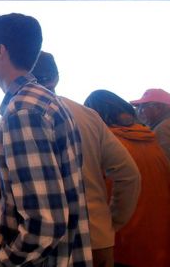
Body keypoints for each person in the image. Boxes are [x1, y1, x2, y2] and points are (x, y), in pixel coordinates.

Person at [0, 13, 92, 266]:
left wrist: (3, 263)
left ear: (0, 51)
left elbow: (45, 223)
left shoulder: (23, 111)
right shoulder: (43, 100)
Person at [32, 52, 141, 267]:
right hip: (96, 237)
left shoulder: (15, 116)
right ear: (56, 78)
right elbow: (130, 175)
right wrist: (109, 222)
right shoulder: (87, 115)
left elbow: (1, 195)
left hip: (42, 245)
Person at [84, 90, 170, 267]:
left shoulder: (111, 146)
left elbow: (98, 199)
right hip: (160, 238)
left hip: (125, 243)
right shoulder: (149, 139)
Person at [130, 88, 170, 161]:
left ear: (158, 108)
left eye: (142, 106)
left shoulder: (163, 129)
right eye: (137, 107)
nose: (138, 111)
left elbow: (164, 163)